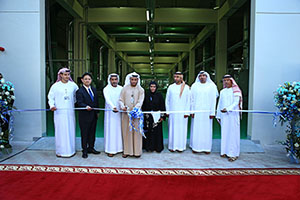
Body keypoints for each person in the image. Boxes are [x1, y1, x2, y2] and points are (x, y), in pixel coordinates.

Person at [48, 68, 78, 158]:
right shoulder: (55, 86)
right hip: (59, 113)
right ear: (60, 75)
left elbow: (77, 96)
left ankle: (71, 151)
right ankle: (60, 151)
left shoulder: (73, 85)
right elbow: (50, 97)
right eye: (65, 75)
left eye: (68, 75)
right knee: (60, 131)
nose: (67, 76)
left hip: (70, 112)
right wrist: (51, 106)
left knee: (70, 130)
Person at [190, 71, 219, 154]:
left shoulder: (212, 86)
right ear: (198, 77)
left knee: (207, 130)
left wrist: (212, 113)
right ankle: (195, 147)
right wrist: (192, 111)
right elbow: (191, 100)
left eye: (204, 76)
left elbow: (214, 100)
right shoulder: (194, 86)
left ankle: (206, 148)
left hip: (207, 112)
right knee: (196, 129)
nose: (202, 77)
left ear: (207, 77)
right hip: (197, 112)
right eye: (200, 76)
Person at [216, 74, 242, 162]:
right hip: (224, 116)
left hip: (233, 116)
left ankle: (233, 154)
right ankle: (224, 151)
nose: (226, 82)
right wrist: (218, 115)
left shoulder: (236, 91)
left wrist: (227, 109)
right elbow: (220, 103)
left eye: (228, 80)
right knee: (225, 133)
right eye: (224, 80)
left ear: (232, 81)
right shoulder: (222, 91)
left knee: (233, 134)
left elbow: (236, 103)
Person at [119, 72, 145, 158]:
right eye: (132, 80)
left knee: (137, 133)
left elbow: (140, 101)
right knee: (127, 132)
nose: (134, 81)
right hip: (126, 115)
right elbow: (120, 100)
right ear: (129, 80)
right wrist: (122, 106)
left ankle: (137, 152)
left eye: (135, 80)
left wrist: (135, 109)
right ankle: (127, 151)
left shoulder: (141, 90)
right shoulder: (124, 89)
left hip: (136, 114)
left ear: (138, 80)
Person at [76, 72, 100, 158]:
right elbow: (79, 102)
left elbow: (96, 101)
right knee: (85, 133)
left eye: (89, 79)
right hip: (84, 116)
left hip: (93, 115)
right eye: (85, 79)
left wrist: (97, 112)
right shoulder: (79, 91)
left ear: (91, 80)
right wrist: (85, 106)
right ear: (82, 80)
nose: (87, 80)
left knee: (92, 133)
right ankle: (84, 150)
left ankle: (91, 148)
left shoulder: (93, 89)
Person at [165, 72, 190, 152]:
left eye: (178, 77)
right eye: (175, 77)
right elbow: (167, 100)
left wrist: (187, 112)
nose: (176, 78)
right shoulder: (171, 87)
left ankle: (181, 147)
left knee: (181, 129)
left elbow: (188, 101)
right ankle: (172, 146)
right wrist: (167, 111)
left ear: (181, 78)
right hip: (172, 113)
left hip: (183, 113)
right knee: (172, 129)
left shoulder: (186, 88)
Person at [142, 81, 166, 153]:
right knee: (149, 132)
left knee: (157, 132)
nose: (152, 88)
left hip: (157, 116)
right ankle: (149, 147)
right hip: (148, 117)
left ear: (156, 87)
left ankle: (157, 147)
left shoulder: (159, 95)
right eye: (151, 87)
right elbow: (143, 105)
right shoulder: (146, 95)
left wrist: (162, 116)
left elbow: (162, 106)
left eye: (154, 87)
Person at [103, 73, 123, 157]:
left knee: (119, 130)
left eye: (116, 79)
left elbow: (123, 99)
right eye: (112, 79)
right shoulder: (106, 89)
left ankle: (120, 148)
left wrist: (122, 107)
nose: (114, 81)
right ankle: (110, 150)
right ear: (110, 80)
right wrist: (113, 107)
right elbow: (107, 99)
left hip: (120, 113)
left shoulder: (121, 88)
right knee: (111, 131)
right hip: (110, 114)